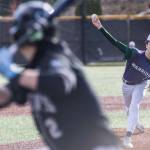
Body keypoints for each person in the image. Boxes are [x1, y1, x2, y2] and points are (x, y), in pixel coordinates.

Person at [0, 2, 122, 150]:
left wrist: (13, 72)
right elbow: (6, 95)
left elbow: (60, 83)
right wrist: (15, 76)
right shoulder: (33, 68)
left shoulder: (57, 57)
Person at [91, 14, 150, 149]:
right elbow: (115, 42)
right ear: (147, 44)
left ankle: (127, 137)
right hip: (126, 85)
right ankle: (137, 123)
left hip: (141, 85)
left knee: (135, 106)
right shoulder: (134, 53)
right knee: (129, 109)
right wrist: (100, 27)